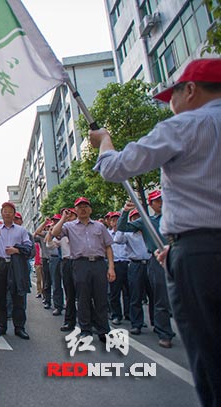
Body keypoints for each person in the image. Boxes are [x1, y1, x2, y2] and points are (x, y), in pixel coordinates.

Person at [90, 58, 221, 406]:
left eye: (172, 95)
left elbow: (115, 168)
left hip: (202, 258)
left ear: (190, 90)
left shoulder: (184, 125)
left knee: (211, 360)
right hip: (188, 249)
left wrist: (105, 140)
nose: (170, 104)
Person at [50, 197, 115, 342]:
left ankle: (103, 330)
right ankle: (85, 330)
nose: (83, 209)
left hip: (99, 263)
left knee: (101, 298)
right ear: (75, 210)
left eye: (86, 206)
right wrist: (63, 218)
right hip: (80, 264)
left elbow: (108, 247)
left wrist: (111, 267)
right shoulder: (70, 226)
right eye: (79, 207)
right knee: (83, 297)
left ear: (90, 209)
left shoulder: (99, 226)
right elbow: (55, 233)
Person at [115, 194, 175, 349]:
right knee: (159, 297)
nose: (161, 203)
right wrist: (125, 212)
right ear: (151, 204)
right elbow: (122, 228)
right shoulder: (146, 223)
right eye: (157, 201)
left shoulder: (174, 217)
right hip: (156, 260)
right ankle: (164, 333)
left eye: (163, 199)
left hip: (179, 257)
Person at [0, 202, 33, 339]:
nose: (7, 213)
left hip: (16, 265)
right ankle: (1, 326)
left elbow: (28, 247)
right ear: (2, 213)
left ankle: (19, 327)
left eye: (10, 211)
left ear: (14, 214)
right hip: (0, 264)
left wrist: (16, 250)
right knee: (0, 297)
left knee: (18, 297)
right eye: (5, 211)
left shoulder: (21, 230)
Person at [113, 209, 152, 335]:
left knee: (154, 296)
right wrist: (122, 225)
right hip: (135, 265)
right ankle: (137, 324)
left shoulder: (149, 232)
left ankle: (157, 323)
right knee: (135, 296)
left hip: (151, 264)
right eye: (134, 218)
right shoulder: (128, 234)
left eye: (139, 217)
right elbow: (118, 240)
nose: (137, 220)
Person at [46, 208, 77, 331]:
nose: (68, 217)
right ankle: (69, 321)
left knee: (85, 294)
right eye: (66, 215)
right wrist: (49, 232)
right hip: (67, 263)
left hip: (80, 262)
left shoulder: (81, 229)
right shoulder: (62, 233)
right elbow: (49, 244)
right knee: (69, 294)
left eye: (71, 215)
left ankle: (91, 321)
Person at [106, 212, 130, 326]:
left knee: (129, 291)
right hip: (114, 264)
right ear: (110, 222)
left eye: (118, 220)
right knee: (114, 292)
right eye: (113, 220)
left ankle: (129, 314)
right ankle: (116, 315)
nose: (115, 222)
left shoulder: (127, 233)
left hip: (127, 263)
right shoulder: (107, 234)